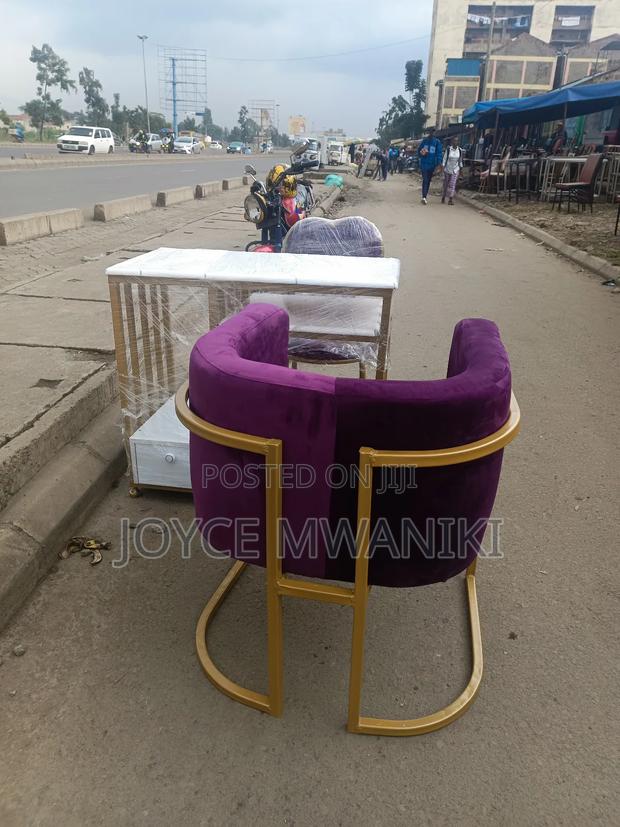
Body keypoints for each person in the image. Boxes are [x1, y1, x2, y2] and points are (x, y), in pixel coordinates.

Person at [417, 127, 443, 204]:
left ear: (434, 133)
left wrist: (438, 164)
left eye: (433, 132)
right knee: (425, 179)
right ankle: (424, 197)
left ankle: (425, 196)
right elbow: (419, 151)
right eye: (430, 132)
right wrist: (422, 153)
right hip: (424, 164)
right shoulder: (424, 141)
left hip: (432, 165)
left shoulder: (437, 142)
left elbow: (439, 154)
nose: (431, 133)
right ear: (428, 132)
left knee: (428, 180)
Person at [441, 136, 464, 205]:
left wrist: (461, 169)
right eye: (454, 141)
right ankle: (444, 196)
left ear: (458, 142)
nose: (455, 142)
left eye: (457, 141)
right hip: (447, 169)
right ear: (452, 142)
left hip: (455, 169)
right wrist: (442, 167)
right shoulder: (448, 149)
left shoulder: (460, 150)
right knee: (446, 184)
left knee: (452, 184)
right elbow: (444, 159)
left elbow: (460, 160)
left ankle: (450, 199)